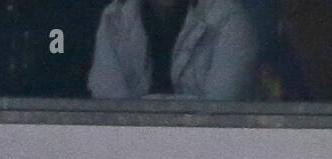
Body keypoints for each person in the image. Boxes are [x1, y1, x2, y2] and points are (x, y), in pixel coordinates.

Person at [88, 0, 259, 100]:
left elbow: (222, 110)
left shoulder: (229, 19)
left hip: (207, 149)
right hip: (131, 146)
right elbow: (108, 105)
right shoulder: (115, 17)